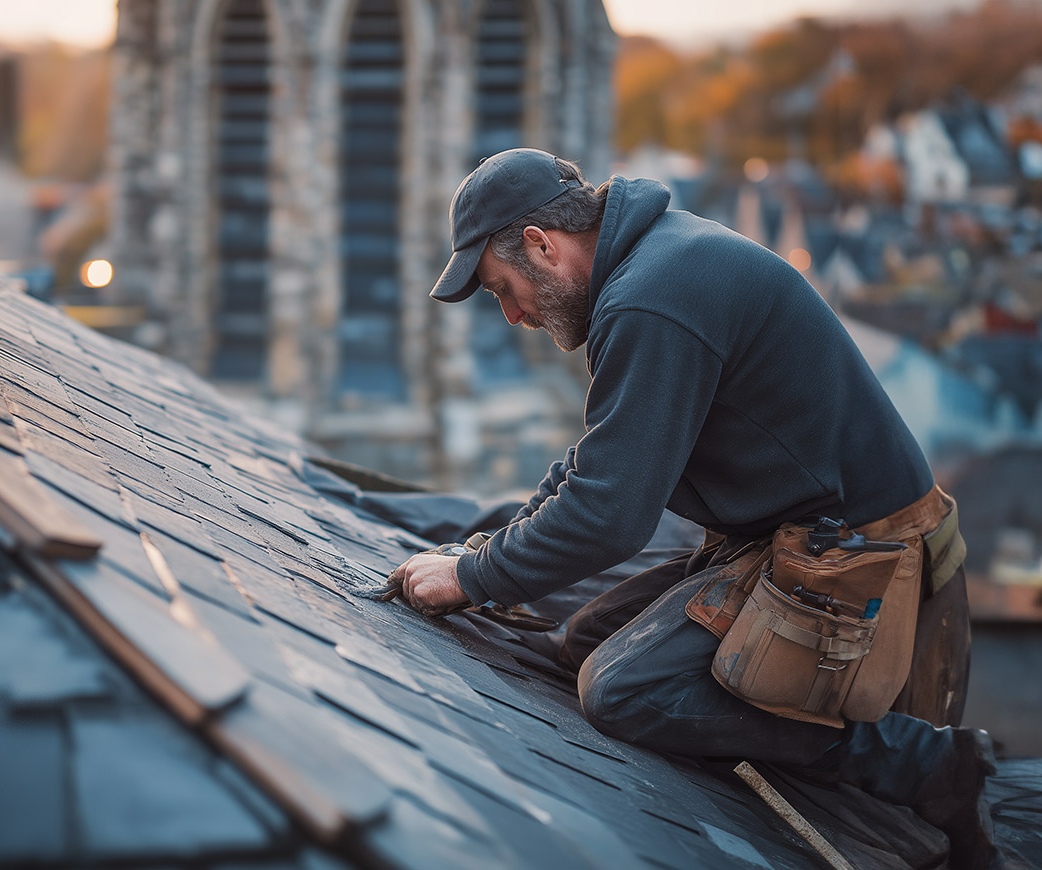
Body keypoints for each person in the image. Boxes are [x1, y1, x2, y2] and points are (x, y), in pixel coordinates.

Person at [388, 148, 996, 869]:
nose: (515, 314)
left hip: (860, 564)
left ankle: (926, 764)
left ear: (541, 245)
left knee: (622, 691)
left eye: (502, 289)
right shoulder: (653, 263)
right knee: (585, 639)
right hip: (794, 543)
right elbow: (594, 465)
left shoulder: (652, 296)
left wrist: (473, 579)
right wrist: (487, 549)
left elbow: (609, 515)